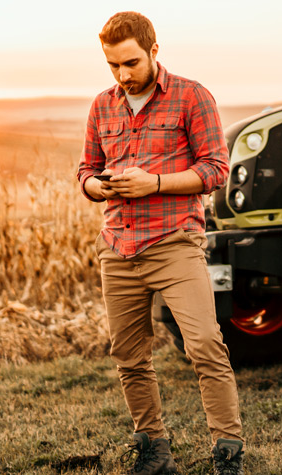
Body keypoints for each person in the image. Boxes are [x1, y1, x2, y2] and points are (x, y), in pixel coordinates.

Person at [76, 11, 243, 475]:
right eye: (113, 66)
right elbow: (86, 170)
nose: (123, 75)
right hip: (118, 246)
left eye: (130, 63)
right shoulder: (102, 105)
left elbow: (215, 169)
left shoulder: (192, 96)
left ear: (153, 50)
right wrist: (99, 187)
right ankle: (154, 451)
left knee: (206, 344)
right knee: (129, 356)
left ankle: (228, 452)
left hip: (175, 242)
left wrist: (155, 183)